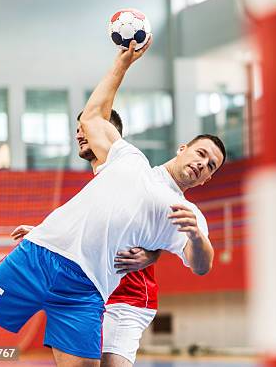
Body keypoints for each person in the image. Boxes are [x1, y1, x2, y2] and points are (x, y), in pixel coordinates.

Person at [0, 38, 226, 367]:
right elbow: (93, 117)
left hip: (86, 289)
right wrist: (121, 64)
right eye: (201, 153)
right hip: (38, 257)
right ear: (183, 149)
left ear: (207, 179)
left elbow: (201, 266)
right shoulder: (127, 157)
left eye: (210, 165)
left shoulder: (187, 216)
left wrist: (196, 236)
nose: (202, 163)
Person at [11, 109, 162, 367]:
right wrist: (41, 234)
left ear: (108, 135)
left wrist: (152, 254)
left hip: (128, 297)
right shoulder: (98, 184)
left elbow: (164, 218)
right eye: (78, 128)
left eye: (86, 128)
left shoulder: (133, 172)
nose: (80, 134)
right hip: (93, 295)